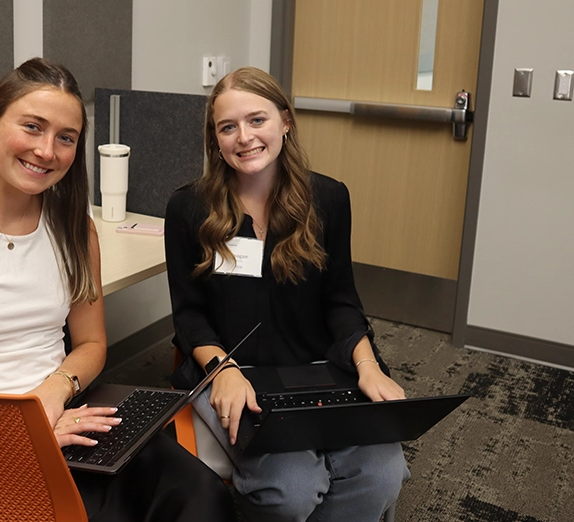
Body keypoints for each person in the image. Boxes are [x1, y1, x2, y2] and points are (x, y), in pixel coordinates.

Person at [0, 58, 236, 522]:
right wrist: (19, 431)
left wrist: (53, 390)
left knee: (203, 496)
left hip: (63, 413)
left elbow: (91, 343)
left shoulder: (73, 230)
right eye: (32, 126)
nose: (47, 151)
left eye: (65, 138)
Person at [166, 67, 410, 522]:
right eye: (228, 127)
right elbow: (189, 315)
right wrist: (224, 370)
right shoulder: (189, 208)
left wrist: (368, 366)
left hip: (318, 370)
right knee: (291, 490)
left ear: (285, 122)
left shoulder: (329, 199)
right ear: (214, 139)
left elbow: (341, 300)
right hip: (233, 374)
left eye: (257, 120)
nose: (244, 137)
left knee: (382, 474)